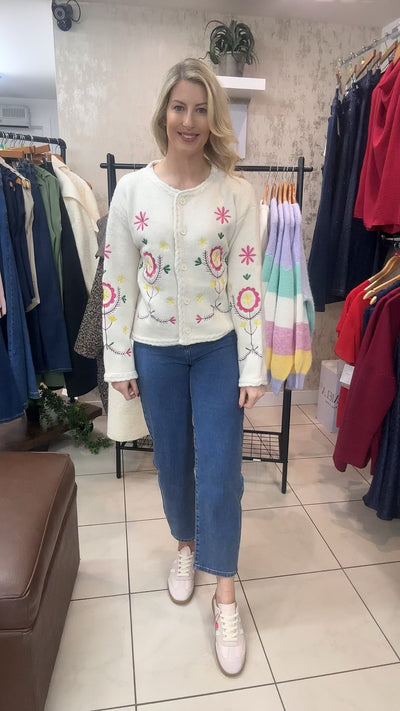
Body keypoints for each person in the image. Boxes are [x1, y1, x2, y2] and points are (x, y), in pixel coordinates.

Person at [102, 57, 266, 676]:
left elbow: (247, 283)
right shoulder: (132, 192)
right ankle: (186, 546)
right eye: (180, 107)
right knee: (172, 462)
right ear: (164, 114)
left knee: (221, 470)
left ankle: (224, 594)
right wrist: (119, 357)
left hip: (218, 348)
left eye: (201, 109)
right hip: (155, 350)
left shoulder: (236, 194)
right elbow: (117, 282)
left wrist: (251, 367)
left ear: (213, 117)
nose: (189, 120)